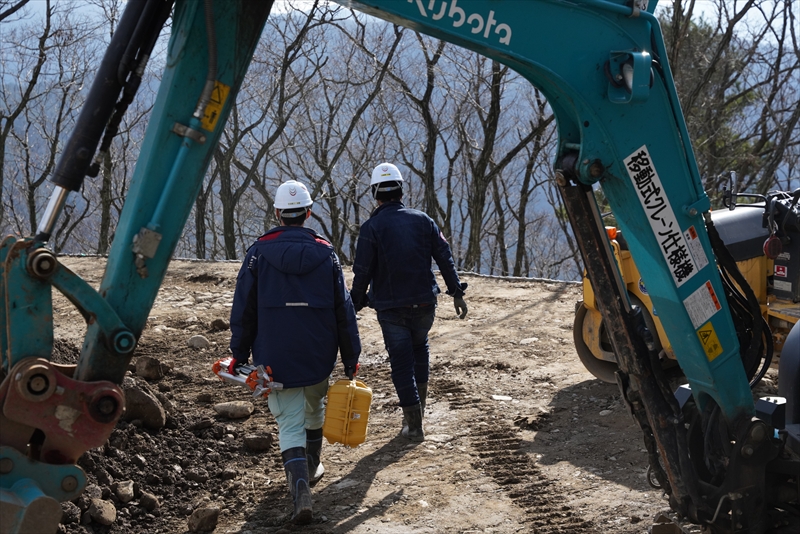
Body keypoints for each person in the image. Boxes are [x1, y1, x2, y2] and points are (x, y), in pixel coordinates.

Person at [228, 179, 361, 524]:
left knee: (289, 422)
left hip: (275, 355)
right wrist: (351, 357)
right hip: (318, 353)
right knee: (315, 405)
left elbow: (244, 307)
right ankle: (314, 465)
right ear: (308, 212)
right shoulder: (326, 253)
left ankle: (300, 490)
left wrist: (238, 353)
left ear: (276, 213)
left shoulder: (259, 252)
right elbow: (343, 310)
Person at [349, 162, 467, 442]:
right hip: (425, 303)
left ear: (374, 193)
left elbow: (362, 271)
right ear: (401, 190)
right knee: (420, 348)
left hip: (391, 308)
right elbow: (444, 256)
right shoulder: (423, 220)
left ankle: (413, 424)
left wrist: (354, 303)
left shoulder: (371, 227)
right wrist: (456, 292)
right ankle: (419, 413)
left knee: (401, 362)